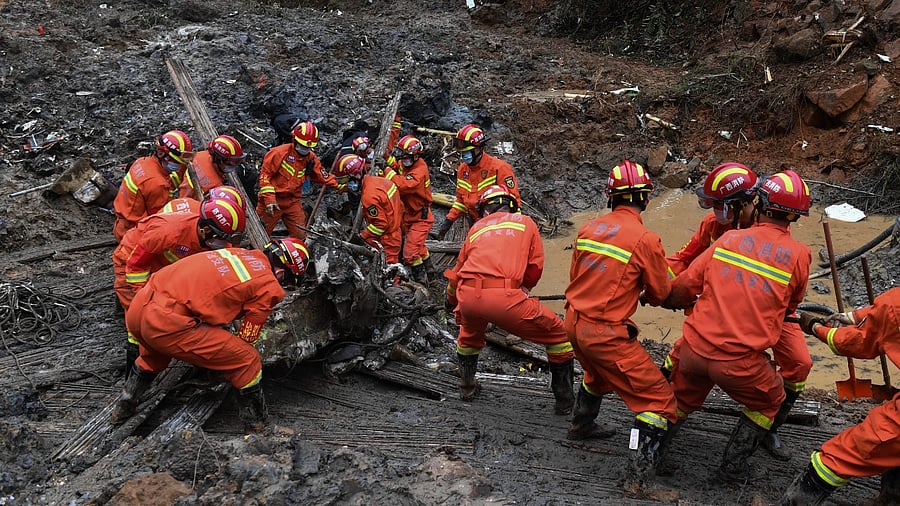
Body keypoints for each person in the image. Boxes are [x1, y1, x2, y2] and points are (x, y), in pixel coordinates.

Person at [662, 170, 812, 482]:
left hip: (766, 314)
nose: (719, 212)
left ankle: (769, 432)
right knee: (683, 358)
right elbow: (684, 263)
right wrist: (658, 281)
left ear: (754, 203)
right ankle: (730, 466)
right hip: (729, 320)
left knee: (799, 362)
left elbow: (788, 308)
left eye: (722, 205)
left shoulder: (734, 238)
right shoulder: (719, 229)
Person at [112, 237, 310, 431]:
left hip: (140, 307)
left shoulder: (239, 254)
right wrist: (223, 364)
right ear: (282, 273)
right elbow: (248, 337)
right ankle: (258, 427)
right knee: (248, 361)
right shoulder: (269, 286)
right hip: (166, 322)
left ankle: (123, 406)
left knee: (153, 357)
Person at [564, 160, 676, 487]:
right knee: (659, 403)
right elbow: (661, 293)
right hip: (604, 333)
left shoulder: (588, 228)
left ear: (610, 197)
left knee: (597, 374)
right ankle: (636, 480)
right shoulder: (645, 239)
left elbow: (579, 279)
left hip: (573, 323)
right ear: (645, 198)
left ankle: (580, 425)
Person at [444, 185, 576, 415]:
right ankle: (564, 401)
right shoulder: (525, 222)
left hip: (468, 296)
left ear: (484, 210)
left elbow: (457, 272)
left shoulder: (476, 228)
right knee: (559, 335)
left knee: (469, 335)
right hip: (503, 297)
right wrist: (521, 289)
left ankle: (466, 387)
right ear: (512, 205)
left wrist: (449, 300)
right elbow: (534, 269)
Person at [784, 292, 900, 505]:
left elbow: (855, 342)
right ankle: (891, 498)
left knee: (838, 456)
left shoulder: (893, 305)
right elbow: (885, 313)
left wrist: (816, 328)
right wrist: (852, 317)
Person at [112, 193, 247, 375]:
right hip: (131, 261)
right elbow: (135, 265)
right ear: (206, 230)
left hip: (162, 267)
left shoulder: (216, 240)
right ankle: (132, 372)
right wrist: (143, 298)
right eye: (223, 238)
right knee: (139, 323)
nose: (225, 244)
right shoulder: (169, 231)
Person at [435, 124, 520, 239]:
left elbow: (513, 203)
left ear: (479, 148)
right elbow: (461, 200)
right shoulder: (462, 170)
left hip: (497, 226)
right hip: (476, 223)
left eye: (467, 152)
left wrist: (512, 232)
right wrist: (449, 220)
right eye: (461, 153)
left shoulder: (499, 168)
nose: (464, 156)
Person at [256, 121, 338, 239]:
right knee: (260, 235)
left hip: (292, 202)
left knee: (300, 235)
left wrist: (340, 185)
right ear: (295, 140)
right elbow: (265, 177)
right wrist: (269, 200)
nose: (306, 149)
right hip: (273, 201)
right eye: (304, 146)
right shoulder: (278, 153)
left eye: (308, 147)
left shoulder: (310, 159)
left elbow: (322, 176)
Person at [113, 130, 194, 242]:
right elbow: (159, 220)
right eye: (176, 162)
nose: (178, 165)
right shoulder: (157, 184)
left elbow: (167, 181)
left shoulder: (142, 162)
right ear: (161, 154)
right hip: (132, 234)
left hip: (122, 225)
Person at [382, 134, 435, 283]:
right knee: (418, 246)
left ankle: (420, 280)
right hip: (409, 214)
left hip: (420, 217)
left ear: (416, 156)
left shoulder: (420, 170)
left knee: (410, 253)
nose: (402, 159)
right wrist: (386, 159)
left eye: (405, 156)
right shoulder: (407, 163)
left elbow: (404, 185)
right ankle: (430, 271)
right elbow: (396, 166)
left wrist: (386, 170)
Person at [339, 154, 403, 263]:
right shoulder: (381, 181)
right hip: (396, 229)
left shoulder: (369, 197)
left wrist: (363, 235)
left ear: (356, 176)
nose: (347, 185)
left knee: (389, 271)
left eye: (347, 180)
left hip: (388, 238)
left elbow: (381, 224)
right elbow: (400, 206)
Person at [180, 135, 246, 200]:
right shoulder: (216, 186)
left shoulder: (201, 155)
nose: (234, 165)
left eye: (237, 161)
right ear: (218, 159)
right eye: (231, 162)